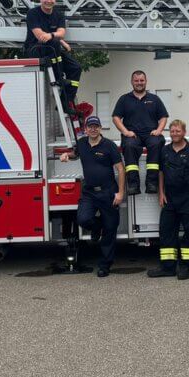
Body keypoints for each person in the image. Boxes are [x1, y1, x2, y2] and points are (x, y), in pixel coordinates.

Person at [59, 115, 125, 278]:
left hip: (108, 192)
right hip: (89, 192)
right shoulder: (82, 143)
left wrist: (121, 192)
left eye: (96, 126)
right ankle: (97, 227)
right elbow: (74, 153)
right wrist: (66, 155)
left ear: (100, 128)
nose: (93, 129)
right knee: (83, 219)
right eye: (90, 126)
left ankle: (104, 265)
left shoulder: (109, 145)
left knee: (110, 230)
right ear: (86, 129)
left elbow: (121, 169)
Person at [147, 119, 189, 280]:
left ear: (184, 132)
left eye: (178, 131)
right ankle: (168, 268)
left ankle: (186, 267)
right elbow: (161, 173)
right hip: (170, 199)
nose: (175, 133)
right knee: (166, 232)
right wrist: (161, 193)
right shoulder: (165, 151)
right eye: (172, 131)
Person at [111, 71, 169, 195]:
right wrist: (125, 132)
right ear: (132, 82)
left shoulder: (154, 99)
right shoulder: (124, 99)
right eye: (136, 81)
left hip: (151, 134)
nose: (139, 83)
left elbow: (163, 117)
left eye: (141, 80)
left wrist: (159, 130)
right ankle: (133, 185)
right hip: (133, 135)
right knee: (129, 146)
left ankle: (152, 183)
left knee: (156, 143)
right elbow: (116, 117)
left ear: (146, 81)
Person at [24, 0, 82, 104]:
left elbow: (62, 33)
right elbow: (40, 36)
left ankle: (66, 103)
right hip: (35, 50)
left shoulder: (59, 15)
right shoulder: (32, 14)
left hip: (52, 50)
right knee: (54, 42)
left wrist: (56, 38)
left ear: (55, 0)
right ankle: (58, 76)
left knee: (76, 68)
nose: (48, 1)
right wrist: (57, 38)